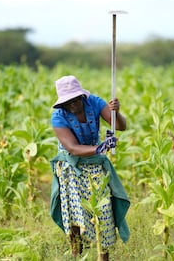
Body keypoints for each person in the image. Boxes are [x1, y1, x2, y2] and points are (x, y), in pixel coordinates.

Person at [49, 75, 130, 260]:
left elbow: (120, 126)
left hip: (95, 165)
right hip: (72, 167)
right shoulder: (58, 117)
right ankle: (77, 254)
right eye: (66, 101)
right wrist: (100, 148)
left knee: (103, 210)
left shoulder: (94, 102)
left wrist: (117, 112)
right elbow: (72, 148)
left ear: (82, 97)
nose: (71, 104)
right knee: (77, 213)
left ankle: (103, 255)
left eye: (74, 99)